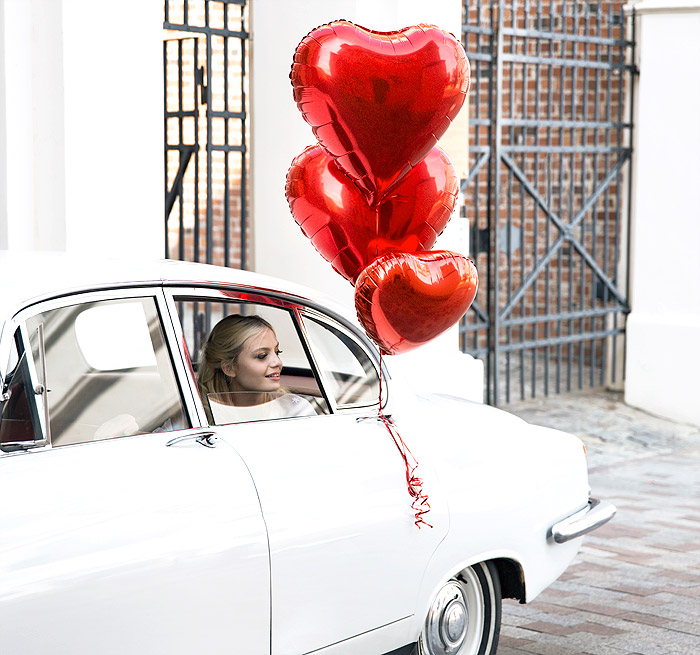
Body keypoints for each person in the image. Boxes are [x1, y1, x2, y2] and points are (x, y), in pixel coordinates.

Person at [196, 314, 316, 424]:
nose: (278, 362)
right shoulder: (198, 416)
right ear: (229, 368)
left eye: (277, 352)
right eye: (262, 356)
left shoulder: (297, 411)